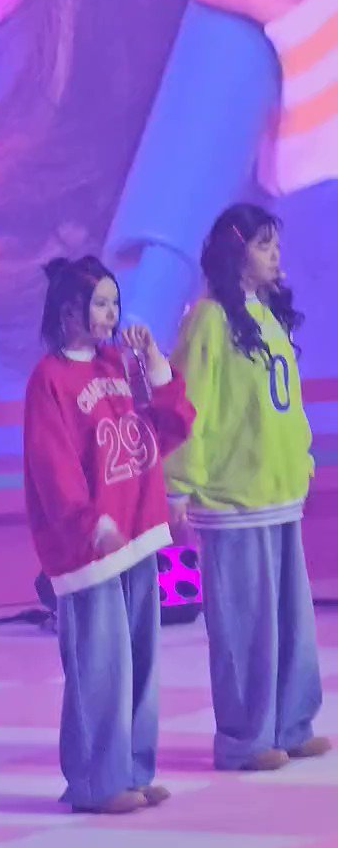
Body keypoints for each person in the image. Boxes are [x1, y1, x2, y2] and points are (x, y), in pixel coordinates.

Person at [23, 257, 195, 814]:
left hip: (138, 532)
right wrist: (87, 519)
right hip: (89, 548)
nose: (111, 314)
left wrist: (154, 364)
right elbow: (51, 463)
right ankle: (97, 780)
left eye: (114, 303)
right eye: (100, 303)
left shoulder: (117, 364)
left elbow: (167, 429)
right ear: (68, 310)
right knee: (100, 665)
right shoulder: (49, 378)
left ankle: (134, 769)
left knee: (141, 658)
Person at [165, 203, 330, 771]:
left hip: (277, 492)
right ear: (235, 251)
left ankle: (291, 723)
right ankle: (244, 738)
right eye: (263, 244)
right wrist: (179, 484)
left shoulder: (268, 314)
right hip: (232, 497)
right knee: (243, 627)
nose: (275, 254)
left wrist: (300, 463)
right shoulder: (208, 319)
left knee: (290, 621)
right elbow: (190, 407)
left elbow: (286, 404)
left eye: (274, 244)